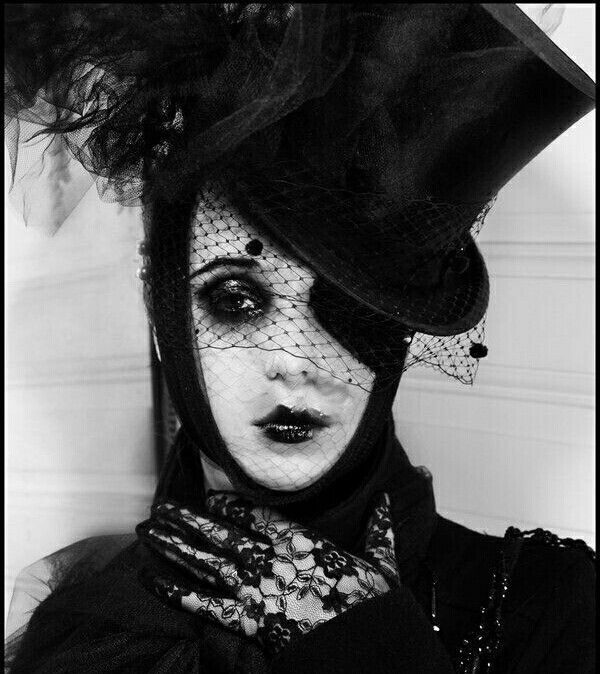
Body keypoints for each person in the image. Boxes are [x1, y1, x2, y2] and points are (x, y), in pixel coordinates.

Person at [4, 4, 595, 673]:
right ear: (164, 316)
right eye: (235, 301)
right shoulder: (86, 627)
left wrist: (377, 652)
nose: (294, 361)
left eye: (349, 307)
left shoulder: (548, 609)